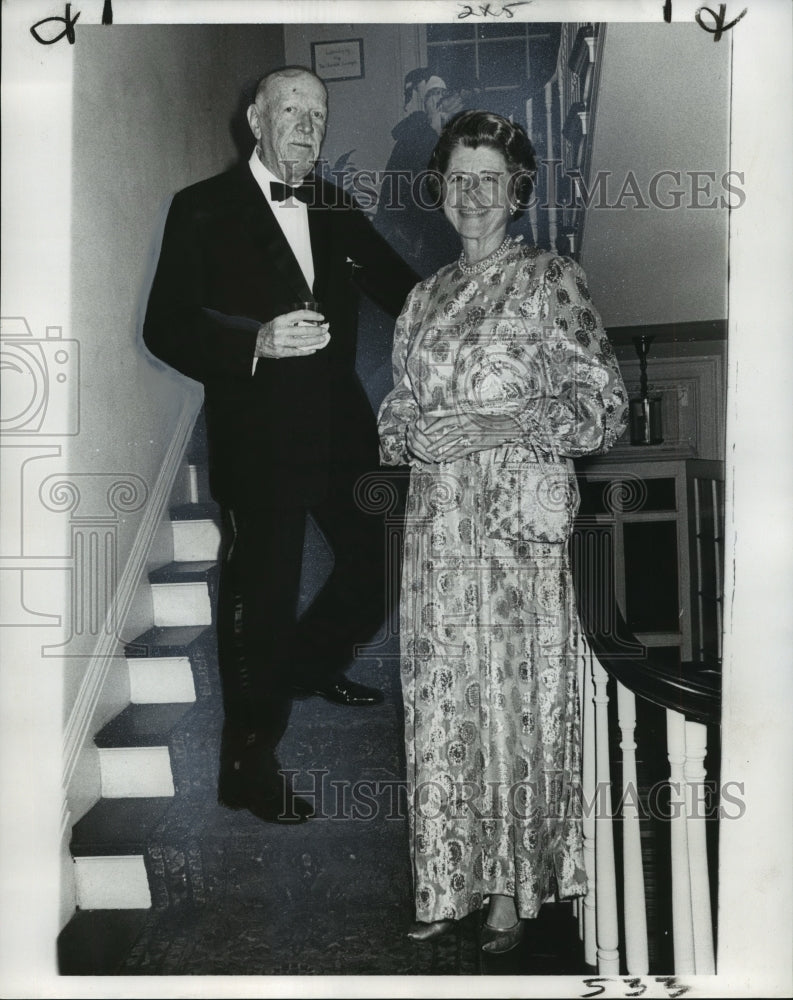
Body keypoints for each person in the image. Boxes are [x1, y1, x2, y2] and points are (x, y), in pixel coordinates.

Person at [377, 111, 628, 953]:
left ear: (516, 190)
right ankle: (445, 877)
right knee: (443, 701)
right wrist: (410, 433)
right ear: (440, 190)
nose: (471, 196)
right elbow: (395, 410)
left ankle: (510, 889)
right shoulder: (422, 297)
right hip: (437, 530)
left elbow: (601, 407)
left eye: (488, 179)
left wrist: (496, 427)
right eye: (457, 179)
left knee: (507, 703)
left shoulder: (552, 279)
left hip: (514, 529)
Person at [143, 66, 418, 826]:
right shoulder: (202, 208)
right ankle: (247, 764)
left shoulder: (331, 203)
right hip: (259, 434)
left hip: (341, 425)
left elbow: (407, 289)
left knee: (388, 549)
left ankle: (310, 661)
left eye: (318, 110)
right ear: (255, 120)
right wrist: (253, 341)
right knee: (258, 600)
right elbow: (164, 325)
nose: (306, 121)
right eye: (290, 106)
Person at [375, 69, 459, 277]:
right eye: (433, 94)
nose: (440, 100)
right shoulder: (417, 136)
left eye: (443, 94)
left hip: (423, 233)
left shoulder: (432, 132)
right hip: (413, 239)